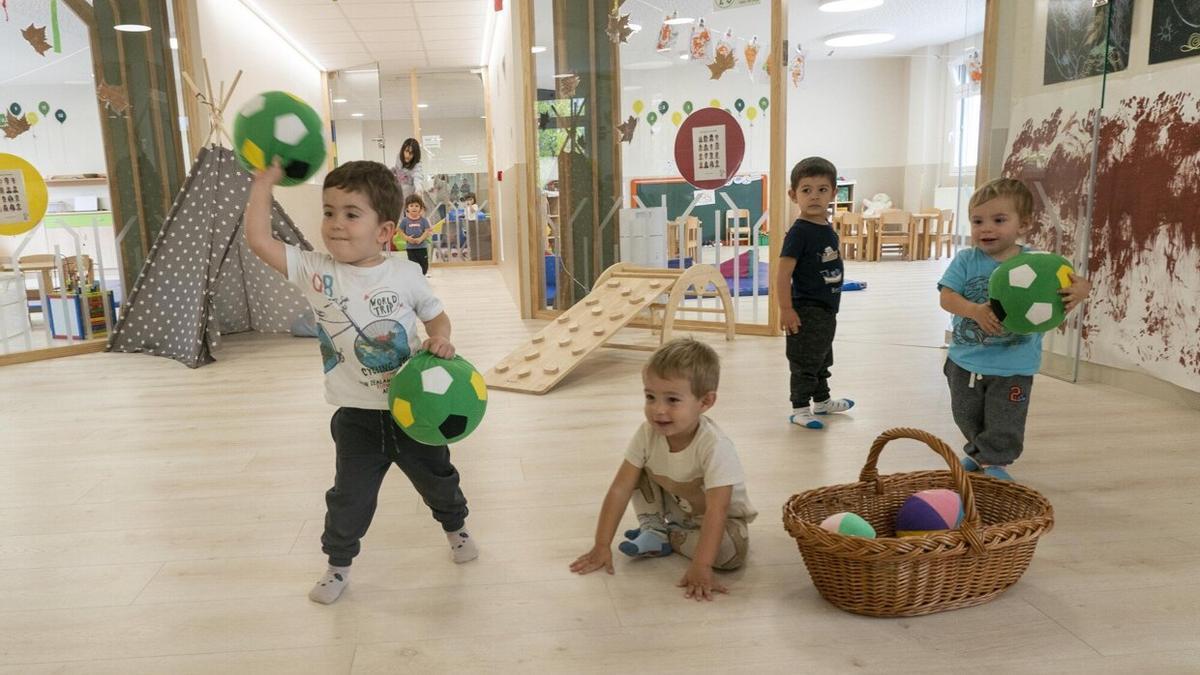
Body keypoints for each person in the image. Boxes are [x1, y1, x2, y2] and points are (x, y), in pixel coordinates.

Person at [244, 159, 477, 605]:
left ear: (385, 231)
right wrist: (263, 185)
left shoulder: (406, 273)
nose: (335, 224)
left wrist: (440, 340)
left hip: (417, 412)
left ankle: (457, 528)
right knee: (348, 498)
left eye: (352, 214)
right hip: (356, 417)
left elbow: (437, 316)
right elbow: (259, 240)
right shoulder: (316, 271)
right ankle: (338, 566)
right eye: (329, 211)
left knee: (439, 479)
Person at [569, 338, 756, 601]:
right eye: (650, 397)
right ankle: (654, 528)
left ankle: (667, 536)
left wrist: (701, 566)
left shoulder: (716, 446)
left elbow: (719, 509)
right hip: (677, 506)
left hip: (719, 520)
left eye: (672, 400)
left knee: (730, 555)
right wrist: (601, 545)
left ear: (705, 402)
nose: (658, 410)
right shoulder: (647, 434)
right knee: (634, 470)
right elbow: (620, 488)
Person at [938, 177, 1092, 481]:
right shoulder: (967, 260)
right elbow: (947, 297)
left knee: (1005, 416)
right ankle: (979, 450)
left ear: (1023, 225)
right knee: (966, 413)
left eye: (999, 220)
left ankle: (996, 460)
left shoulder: (1039, 264)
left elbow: (1076, 282)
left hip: (1014, 363)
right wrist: (974, 310)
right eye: (977, 221)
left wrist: (1082, 290)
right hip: (965, 359)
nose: (986, 228)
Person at [775, 156, 855, 429]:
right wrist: (786, 309)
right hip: (805, 309)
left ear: (834, 193)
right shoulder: (799, 233)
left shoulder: (826, 227)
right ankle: (800, 407)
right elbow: (783, 273)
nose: (814, 196)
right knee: (804, 362)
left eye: (822, 190)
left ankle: (822, 402)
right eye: (806, 190)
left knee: (822, 357)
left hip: (826, 309)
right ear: (793, 195)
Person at [398, 194, 433, 274]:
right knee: (413, 265)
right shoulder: (405, 221)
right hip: (411, 248)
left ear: (420, 208)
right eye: (411, 205)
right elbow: (400, 231)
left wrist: (420, 239)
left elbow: (427, 231)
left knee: (424, 266)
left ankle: (422, 277)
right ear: (407, 208)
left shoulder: (423, 220)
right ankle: (416, 280)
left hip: (422, 247)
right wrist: (407, 238)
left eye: (417, 206)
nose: (414, 207)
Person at [392, 137, 428, 212]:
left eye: (411, 153)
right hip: (398, 192)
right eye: (406, 151)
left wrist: (418, 190)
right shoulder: (399, 157)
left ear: (415, 155)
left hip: (410, 195)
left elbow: (418, 178)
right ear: (403, 150)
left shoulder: (417, 165)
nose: (407, 155)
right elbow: (396, 170)